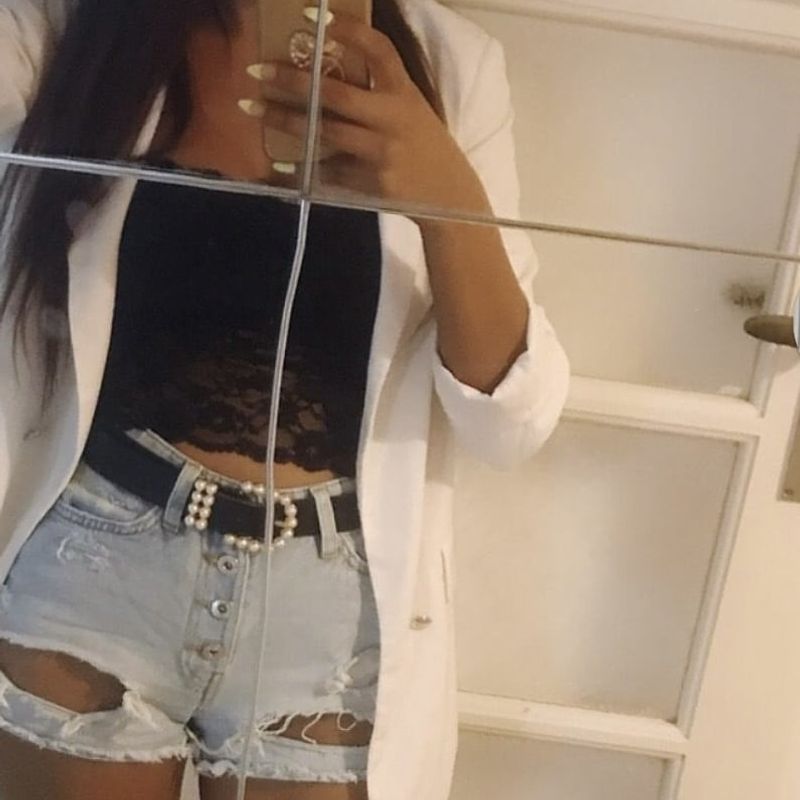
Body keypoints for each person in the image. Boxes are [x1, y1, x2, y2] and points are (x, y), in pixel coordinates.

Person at [0, 0, 571, 798]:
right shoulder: (65, 28)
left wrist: (446, 196)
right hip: (97, 566)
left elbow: (509, 423)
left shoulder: (450, 68)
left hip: (330, 613)